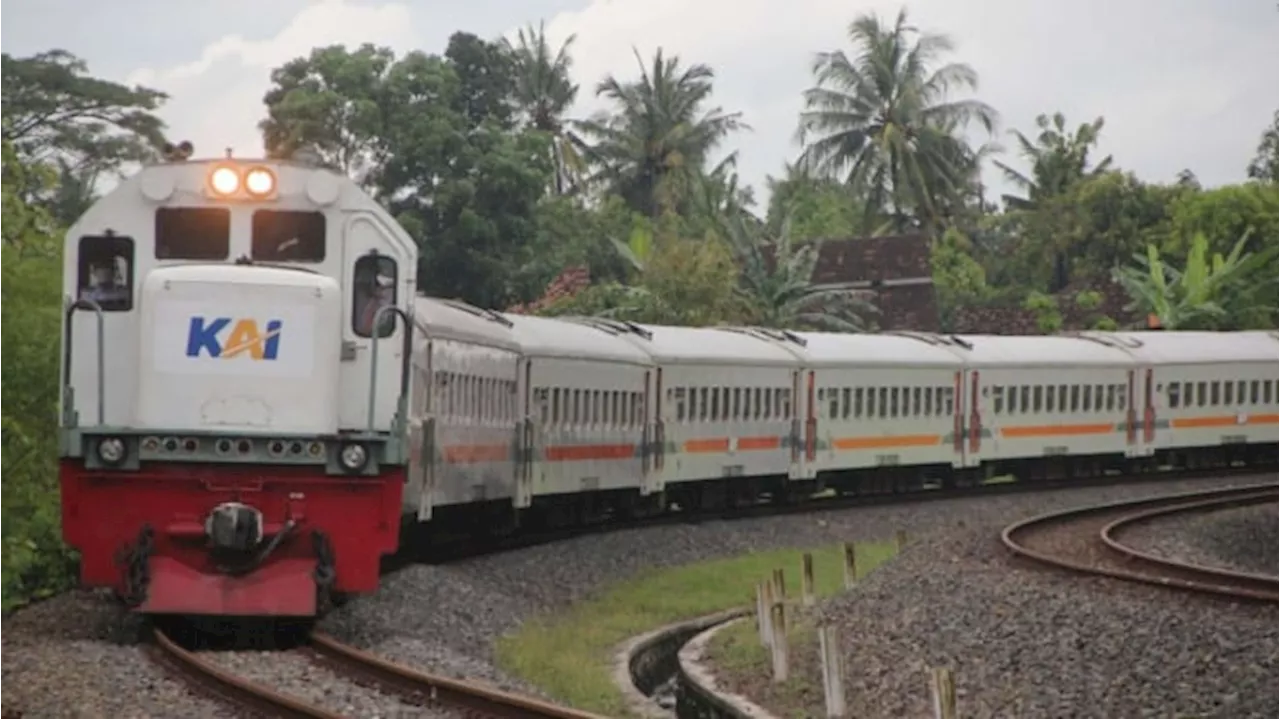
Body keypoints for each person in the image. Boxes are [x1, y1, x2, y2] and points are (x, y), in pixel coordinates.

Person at [356, 267, 395, 337]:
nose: (380, 289)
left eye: (386, 287)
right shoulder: (366, 302)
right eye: (378, 285)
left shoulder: (392, 309)